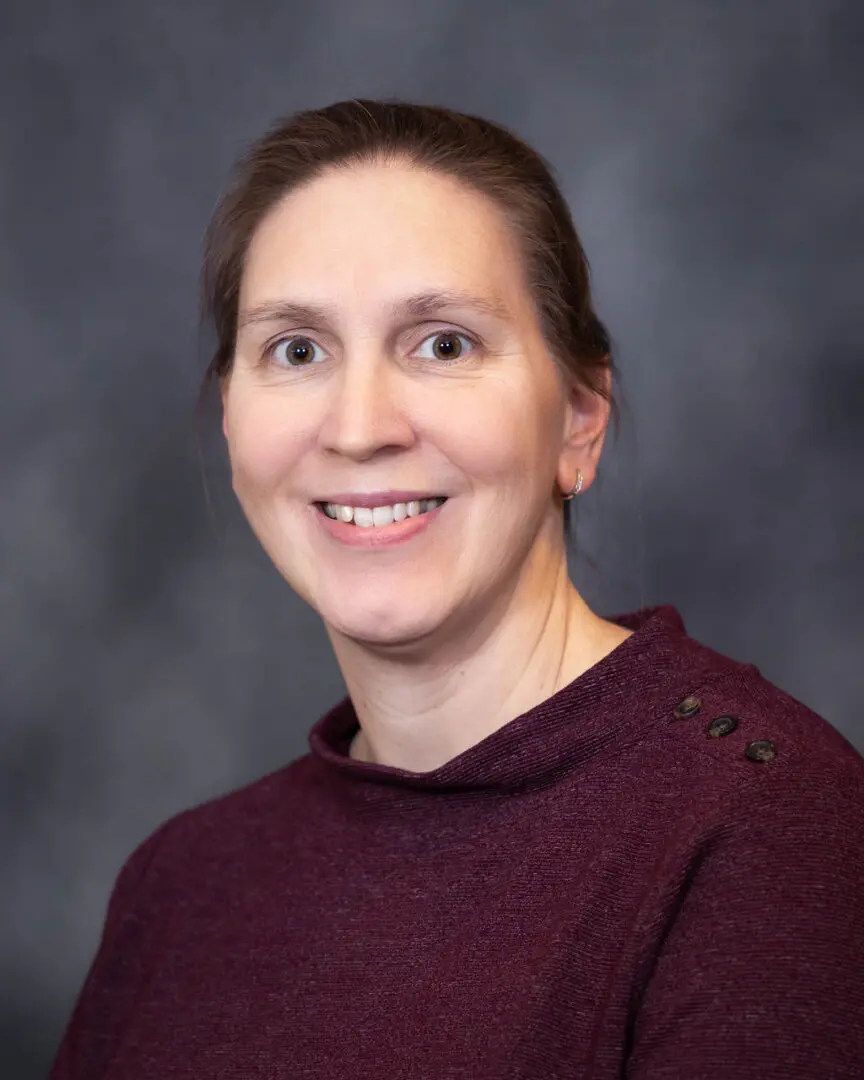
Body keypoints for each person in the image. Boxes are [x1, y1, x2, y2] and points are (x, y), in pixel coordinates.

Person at [49, 100, 864, 1079]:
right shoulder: (179, 885)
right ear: (232, 422)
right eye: (297, 350)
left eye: (442, 343)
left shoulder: (767, 831)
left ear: (577, 422)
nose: (359, 427)